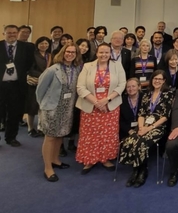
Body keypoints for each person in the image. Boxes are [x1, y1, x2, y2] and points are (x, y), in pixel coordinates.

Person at [76, 43, 126, 174]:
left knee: (108, 134)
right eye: (101, 52)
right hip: (90, 105)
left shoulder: (117, 66)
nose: (104, 55)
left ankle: (105, 159)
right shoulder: (88, 66)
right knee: (90, 134)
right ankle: (89, 160)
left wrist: (106, 100)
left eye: (107, 53)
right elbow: (80, 87)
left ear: (110, 54)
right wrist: (96, 102)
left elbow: (122, 85)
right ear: (96, 53)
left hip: (110, 106)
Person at [119, 70, 174, 188]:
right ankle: (136, 170)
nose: (157, 81)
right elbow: (141, 114)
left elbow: (165, 116)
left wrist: (149, 128)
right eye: (155, 79)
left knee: (141, 142)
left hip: (158, 127)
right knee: (130, 140)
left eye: (160, 79)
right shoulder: (146, 94)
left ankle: (142, 171)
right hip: (143, 126)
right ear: (151, 80)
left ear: (164, 81)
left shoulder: (168, 94)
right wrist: (141, 128)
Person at [36, 44, 82, 182]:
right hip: (51, 108)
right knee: (50, 137)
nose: (70, 54)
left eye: (73, 52)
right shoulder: (52, 69)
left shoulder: (76, 69)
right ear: (63, 52)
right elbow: (40, 89)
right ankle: (47, 167)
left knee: (60, 134)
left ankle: (55, 159)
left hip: (67, 109)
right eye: (68, 51)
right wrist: (43, 106)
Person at [0, 25, 34, 146]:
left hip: (17, 85)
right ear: (4, 34)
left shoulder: (26, 48)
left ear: (17, 33)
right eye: (9, 33)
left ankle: (11, 138)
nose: (12, 35)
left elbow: (30, 64)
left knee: (14, 113)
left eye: (14, 33)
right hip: (1, 85)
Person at [25, 37, 52, 137]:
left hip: (46, 84)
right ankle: (30, 128)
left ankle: (40, 127)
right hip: (35, 82)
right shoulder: (33, 55)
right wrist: (41, 76)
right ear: (37, 44)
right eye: (41, 43)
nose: (44, 45)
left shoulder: (49, 56)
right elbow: (30, 68)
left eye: (46, 43)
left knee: (43, 106)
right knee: (32, 106)